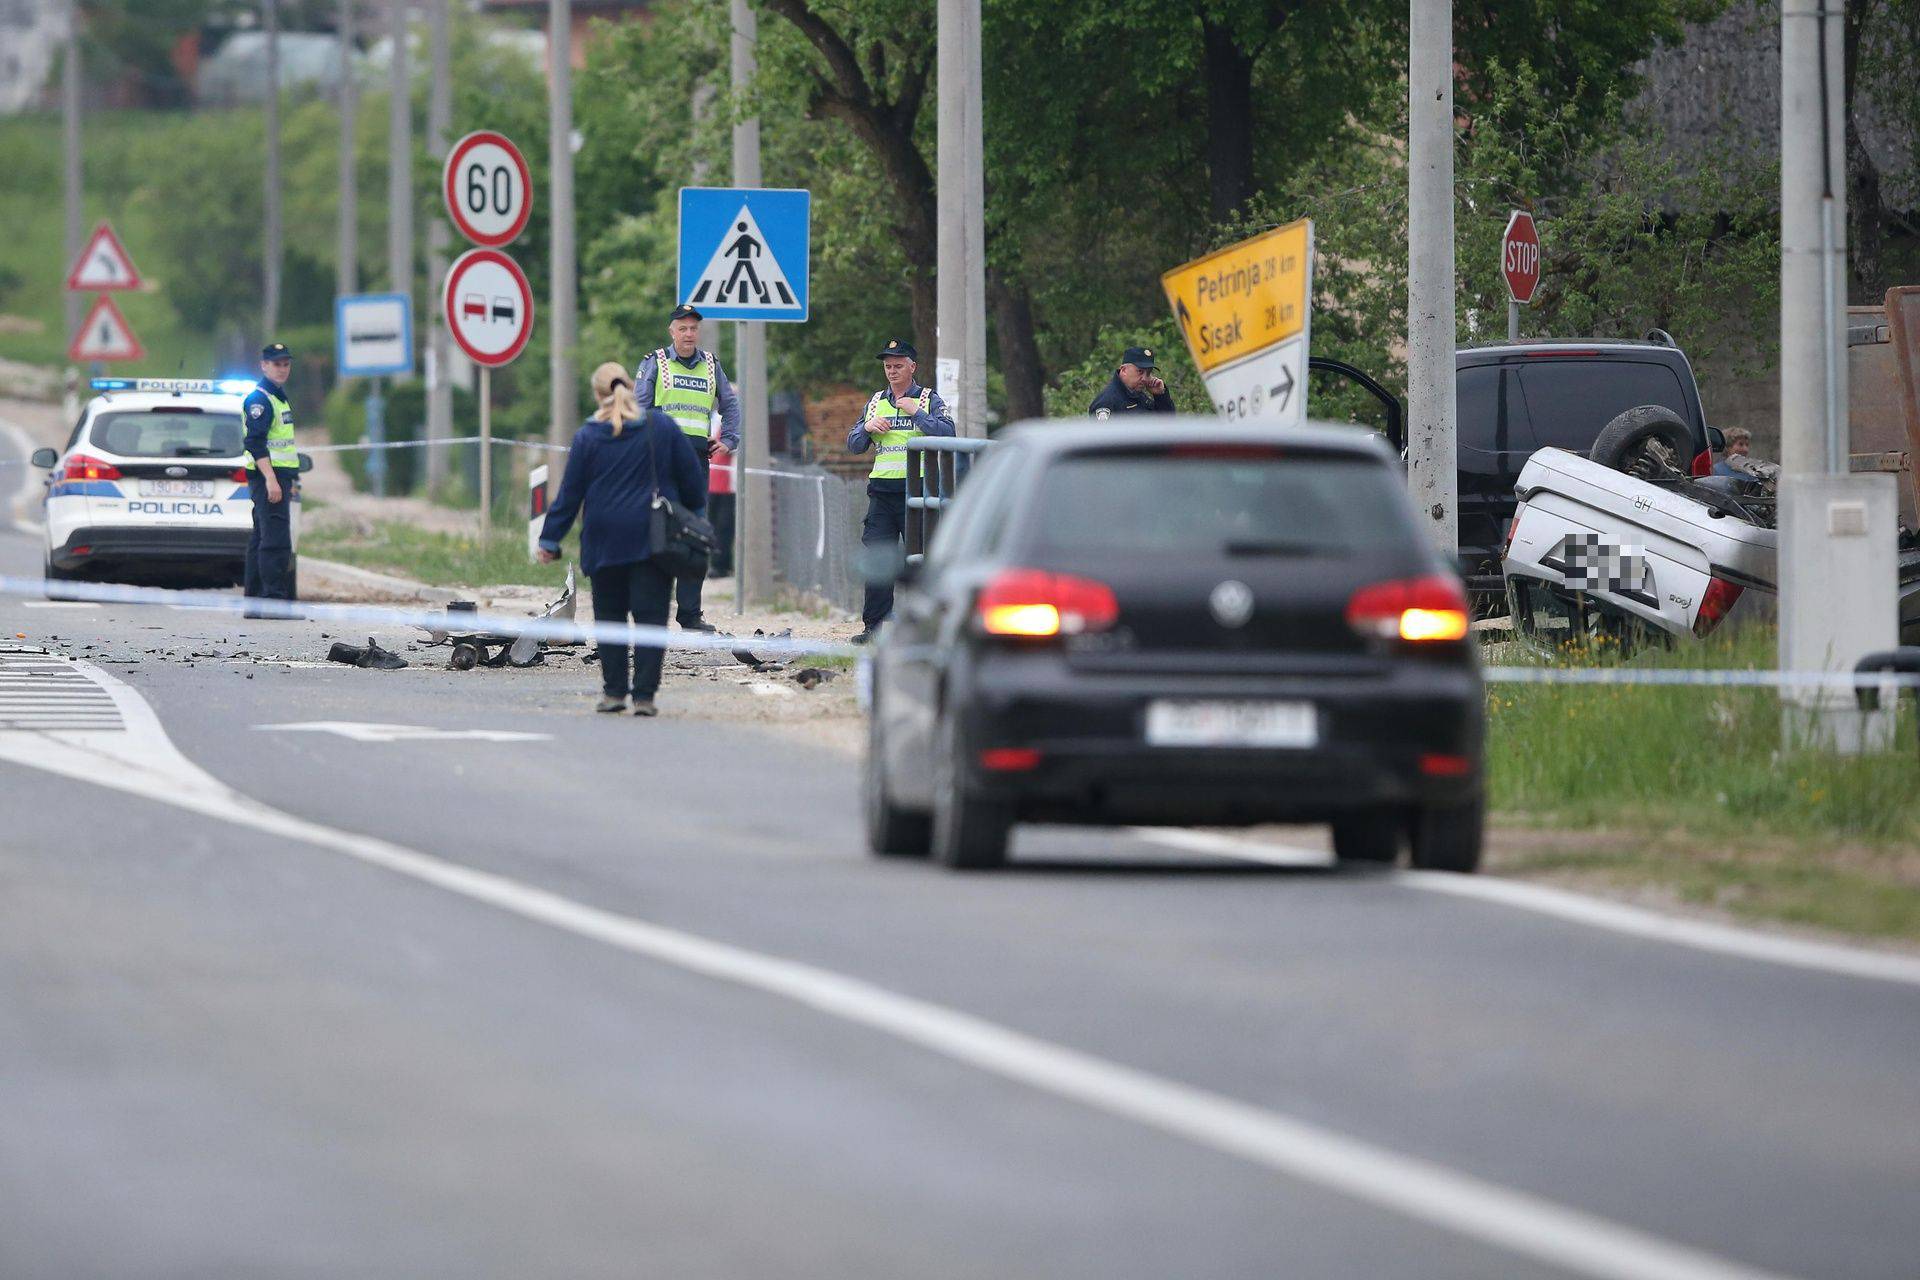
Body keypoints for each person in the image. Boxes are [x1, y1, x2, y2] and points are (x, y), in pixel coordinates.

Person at [538, 361, 707, 716]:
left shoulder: (588, 435)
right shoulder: (660, 427)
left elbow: (570, 493)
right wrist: (688, 511)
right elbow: (692, 479)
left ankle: (614, 693)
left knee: (610, 617)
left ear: (598, 394)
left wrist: (550, 540)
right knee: (651, 619)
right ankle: (644, 696)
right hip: (652, 539)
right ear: (630, 386)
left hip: (604, 540)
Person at [634, 303, 742, 631]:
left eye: (693, 328)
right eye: (682, 328)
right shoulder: (655, 362)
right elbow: (639, 407)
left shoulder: (711, 365)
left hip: (697, 459)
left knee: (696, 535)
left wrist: (730, 439)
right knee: (659, 531)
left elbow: (730, 403)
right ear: (672, 331)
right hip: (662, 458)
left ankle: (690, 614)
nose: (689, 333)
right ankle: (651, 613)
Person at [846, 338, 955, 643]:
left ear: (912, 367)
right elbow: (854, 445)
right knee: (878, 561)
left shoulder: (928, 399)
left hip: (917, 494)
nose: (892, 371)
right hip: (881, 493)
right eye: (888, 366)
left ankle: (925, 627)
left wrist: (915, 413)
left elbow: (948, 432)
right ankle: (874, 627)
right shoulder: (876, 401)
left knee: (919, 561)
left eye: (898, 365)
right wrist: (866, 429)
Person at [239, 341, 301, 620]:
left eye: (286, 363)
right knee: (275, 540)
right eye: (276, 364)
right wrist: (271, 480)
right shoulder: (260, 399)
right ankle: (273, 602)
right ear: (264, 365)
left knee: (261, 538)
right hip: (269, 477)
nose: (282, 369)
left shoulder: (277, 395)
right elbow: (254, 443)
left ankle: (254, 602)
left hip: (275, 476)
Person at [1089, 346, 1175, 419]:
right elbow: (1103, 437)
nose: (1145, 378)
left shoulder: (1138, 396)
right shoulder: (1106, 403)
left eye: (1148, 373)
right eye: (1140, 371)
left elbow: (1167, 427)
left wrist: (1161, 396)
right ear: (1124, 370)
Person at [1712, 427, 1780, 483]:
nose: (1745, 449)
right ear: (1728, 447)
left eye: (1747, 445)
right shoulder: (1716, 471)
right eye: (1740, 444)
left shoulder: (1753, 471)